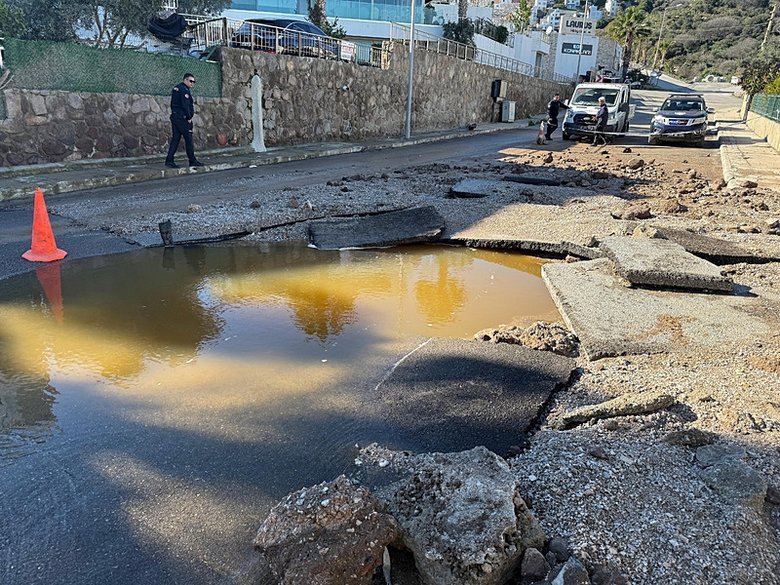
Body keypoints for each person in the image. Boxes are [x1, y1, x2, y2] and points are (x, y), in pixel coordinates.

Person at [165, 73, 204, 168]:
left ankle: (169, 160)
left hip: (175, 117)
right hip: (183, 119)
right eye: (190, 81)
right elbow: (185, 105)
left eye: (194, 82)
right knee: (188, 139)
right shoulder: (184, 90)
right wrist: (189, 117)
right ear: (185, 80)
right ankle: (192, 160)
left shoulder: (176, 88)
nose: (192, 84)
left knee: (176, 138)